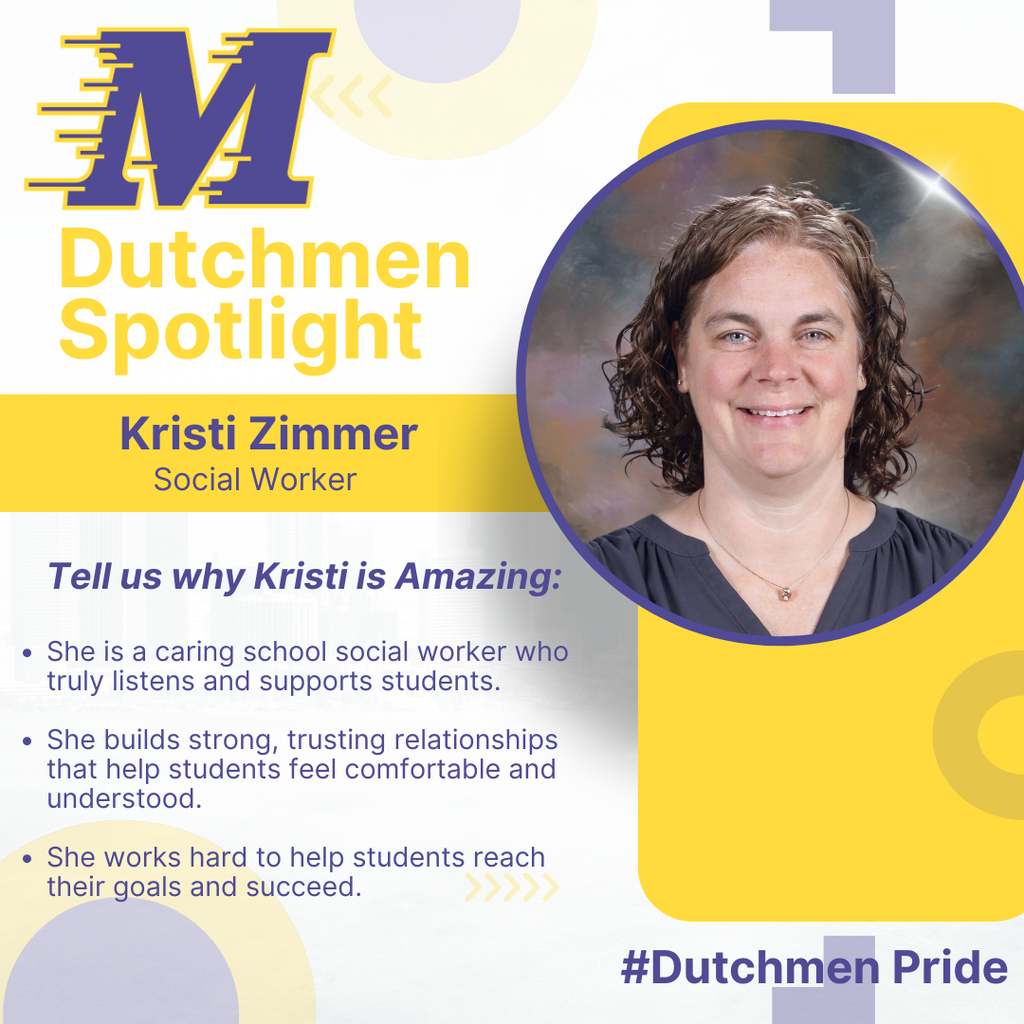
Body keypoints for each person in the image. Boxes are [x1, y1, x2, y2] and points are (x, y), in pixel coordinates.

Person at [588, 186, 972, 636]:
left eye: (813, 334)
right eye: (736, 335)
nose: (776, 370)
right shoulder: (591, 588)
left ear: (862, 359)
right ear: (683, 359)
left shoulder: (965, 579)